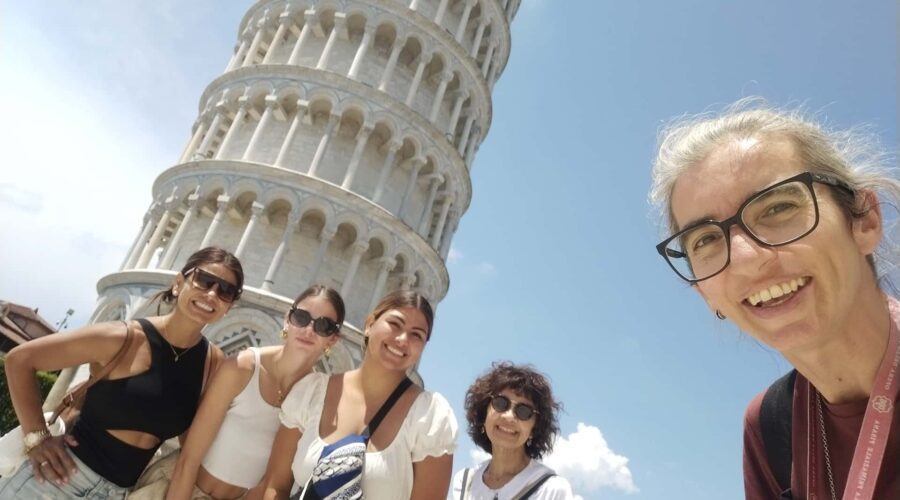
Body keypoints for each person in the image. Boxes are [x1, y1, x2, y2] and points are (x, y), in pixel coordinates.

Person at [649, 98, 900, 499]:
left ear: (865, 220)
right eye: (706, 240)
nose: (746, 261)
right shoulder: (769, 428)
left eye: (778, 207)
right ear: (704, 292)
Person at [0, 247, 243, 499]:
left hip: (117, 493)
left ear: (230, 306)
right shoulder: (123, 337)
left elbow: (192, 441)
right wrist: (37, 439)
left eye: (226, 290)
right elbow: (20, 360)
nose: (212, 294)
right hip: (54, 481)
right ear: (179, 283)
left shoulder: (212, 362)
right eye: (204, 280)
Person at [136, 285, 344, 500]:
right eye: (301, 317)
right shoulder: (243, 367)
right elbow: (189, 459)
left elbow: (272, 483)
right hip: (175, 491)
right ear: (287, 319)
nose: (309, 330)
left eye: (324, 325)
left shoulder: (313, 394)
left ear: (333, 339)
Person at [252, 290, 457, 500]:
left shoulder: (429, 416)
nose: (402, 339)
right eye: (395, 324)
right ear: (369, 324)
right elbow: (275, 485)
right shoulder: (311, 392)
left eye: (417, 335)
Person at [449, 362, 573, 500]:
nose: (509, 416)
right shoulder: (465, 483)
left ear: (534, 428)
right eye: (501, 403)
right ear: (484, 413)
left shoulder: (551, 489)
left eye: (523, 411)